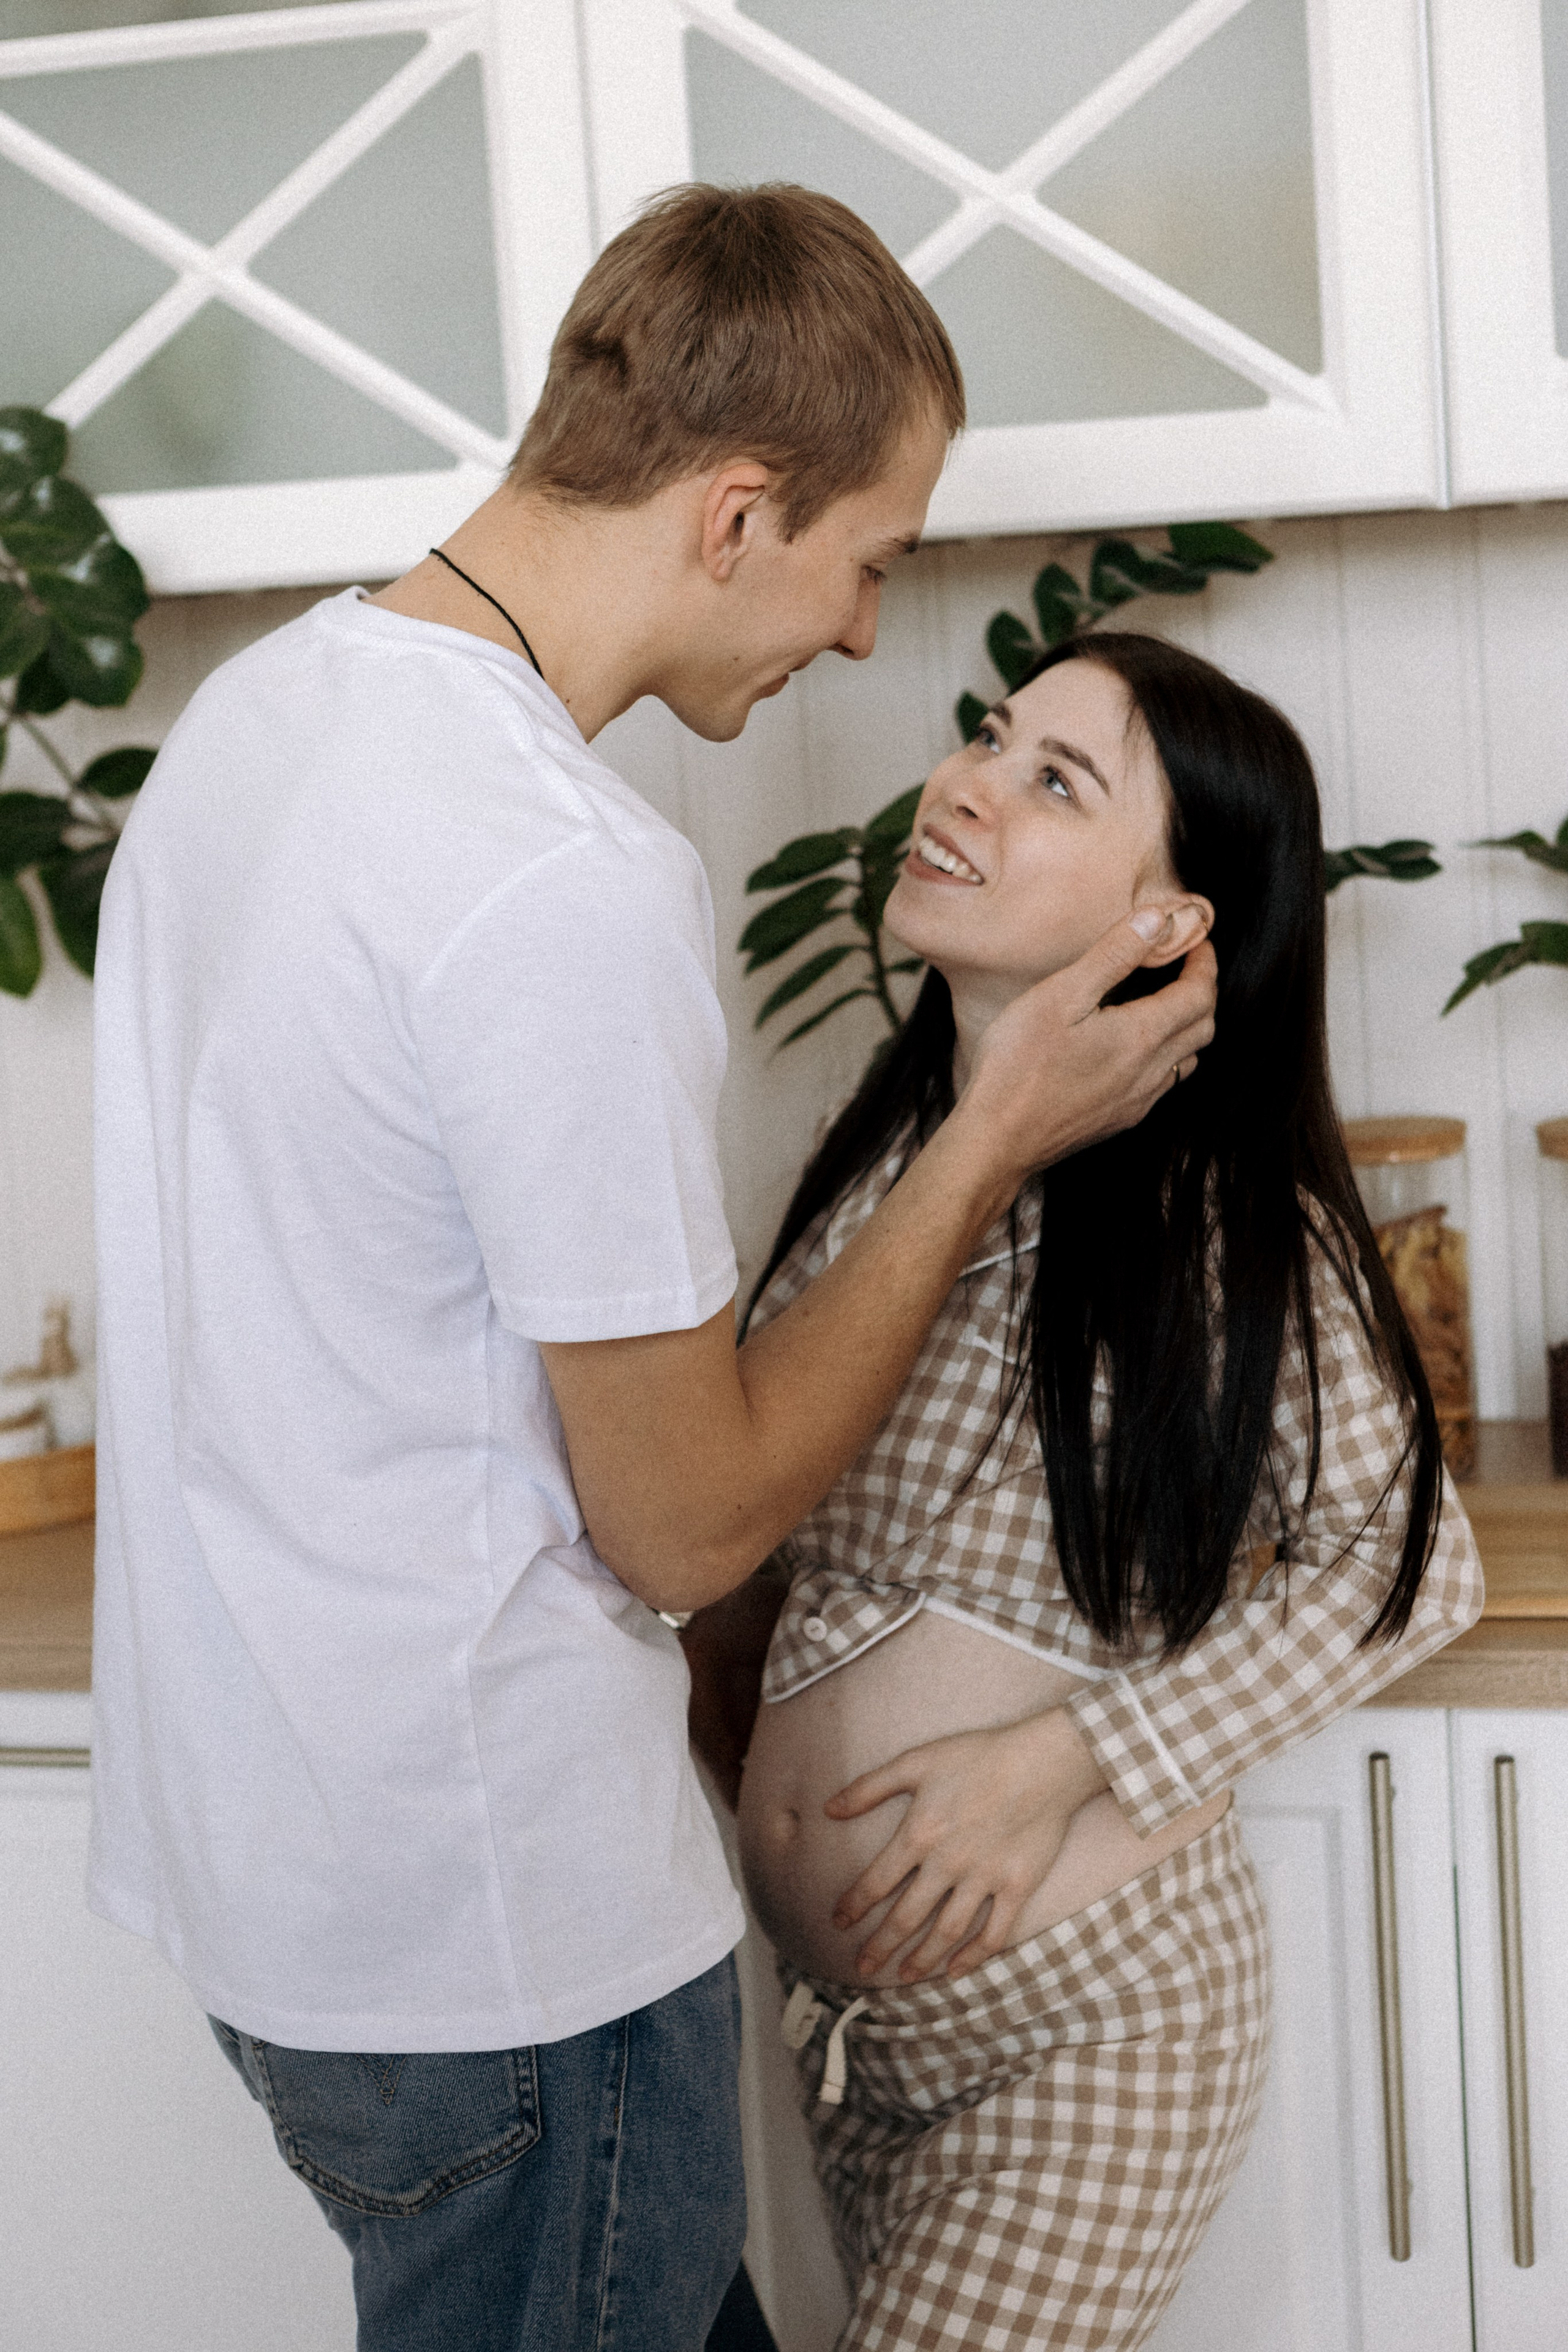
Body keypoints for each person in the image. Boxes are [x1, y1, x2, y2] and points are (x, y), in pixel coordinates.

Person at [87, 190, 1218, 2352]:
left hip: (278, 1902)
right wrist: (997, 1130)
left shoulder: (256, 725)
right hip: (502, 1952)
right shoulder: (552, 878)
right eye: (871, 559)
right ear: (738, 512)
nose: (874, 643)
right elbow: (686, 1519)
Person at [687, 632, 1483, 2352]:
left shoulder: (1209, 1210)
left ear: (1176, 924)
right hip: (852, 2042)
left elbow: (1413, 1570)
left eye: (1056, 780)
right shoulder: (875, 1175)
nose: (965, 783)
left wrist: (1061, 1768)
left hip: (1089, 2023)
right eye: (988, 734)